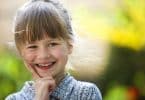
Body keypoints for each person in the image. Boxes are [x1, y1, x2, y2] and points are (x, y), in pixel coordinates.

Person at [6, 0, 102, 100]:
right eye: (32, 47)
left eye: (52, 44)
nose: (43, 55)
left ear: (69, 45)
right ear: (21, 52)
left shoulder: (86, 94)